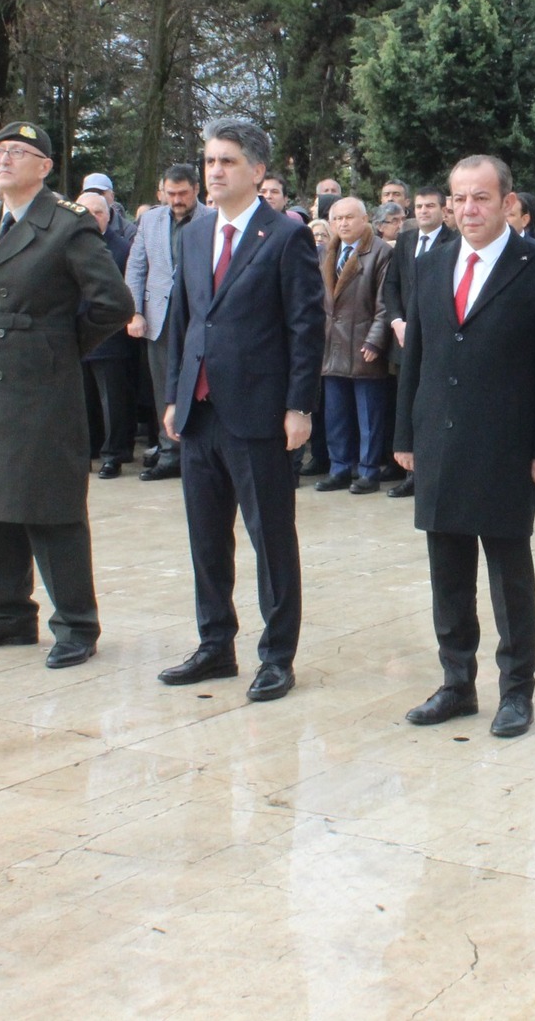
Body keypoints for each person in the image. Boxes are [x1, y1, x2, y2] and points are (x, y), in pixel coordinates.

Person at [394, 155, 535, 737]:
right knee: (447, 572)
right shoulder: (432, 264)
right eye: (459, 199)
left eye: (481, 198)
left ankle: (516, 691)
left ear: (506, 203)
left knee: (507, 575)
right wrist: (405, 435)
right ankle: (456, 683)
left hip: (505, 445)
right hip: (439, 441)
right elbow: (415, 358)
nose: (468, 209)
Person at [0, 121, 136, 669]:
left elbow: (112, 303)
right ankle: (6, 614)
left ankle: (76, 623)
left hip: (44, 384)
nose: (4, 159)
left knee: (52, 506)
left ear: (46, 166)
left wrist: (56, 344)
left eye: (19, 152)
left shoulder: (67, 226)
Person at [153, 121, 325, 694]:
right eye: (209, 161)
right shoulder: (195, 235)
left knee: (270, 539)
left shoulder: (284, 236)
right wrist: (176, 396)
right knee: (206, 538)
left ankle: (277, 655)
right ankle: (214, 644)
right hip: (201, 413)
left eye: (227, 161)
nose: (215, 171)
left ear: (257, 170)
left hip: (259, 414)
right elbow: (183, 320)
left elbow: (306, 327)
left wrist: (299, 405)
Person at [124, 165, 209, 482]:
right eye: (170, 194)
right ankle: (169, 453)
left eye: (182, 193)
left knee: (201, 387)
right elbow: (136, 268)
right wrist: (134, 312)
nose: (176, 199)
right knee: (164, 389)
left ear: (196, 189)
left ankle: (198, 455)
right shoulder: (150, 220)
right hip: (158, 317)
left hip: (199, 317)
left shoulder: (211, 219)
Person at [382, 185, 456, 501]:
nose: (424, 211)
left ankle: (435, 472)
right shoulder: (407, 240)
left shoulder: (453, 242)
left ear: (443, 210)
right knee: (408, 401)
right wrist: (397, 320)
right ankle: (412, 473)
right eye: (420, 206)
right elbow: (392, 285)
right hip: (404, 337)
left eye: (430, 206)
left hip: (437, 339)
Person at [318, 196, 394, 492]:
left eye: (350, 217)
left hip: (363, 343)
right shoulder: (326, 251)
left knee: (368, 415)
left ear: (365, 219)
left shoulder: (380, 252)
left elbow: (385, 303)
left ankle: (368, 470)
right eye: (338, 219)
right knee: (336, 413)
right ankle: (339, 468)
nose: (344, 223)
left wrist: (376, 340)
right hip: (332, 344)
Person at [75, 188, 137, 477]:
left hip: (111, 338)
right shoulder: (68, 245)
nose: (91, 217)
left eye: (98, 212)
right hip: (77, 336)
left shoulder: (122, 248)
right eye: (85, 212)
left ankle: (115, 454)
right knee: (84, 399)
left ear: (108, 215)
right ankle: (88, 449)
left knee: (112, 400)